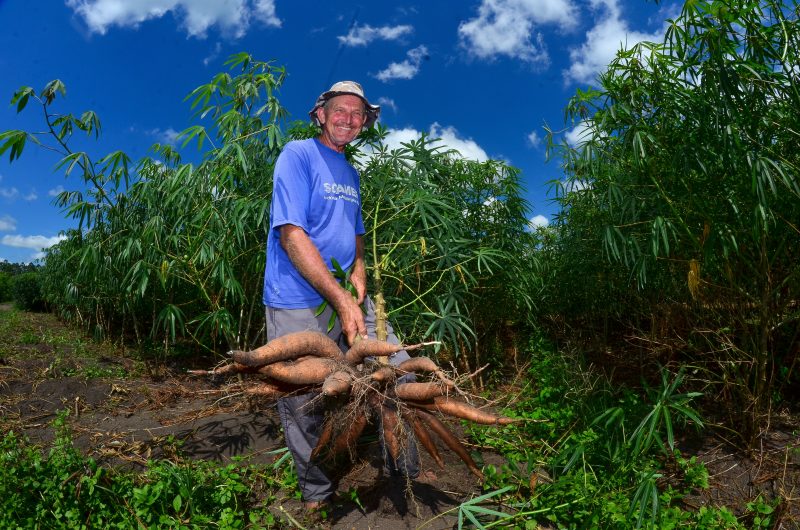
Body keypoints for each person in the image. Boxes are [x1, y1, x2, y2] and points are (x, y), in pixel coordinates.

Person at [262, 81, 421, 510]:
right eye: (341, 109)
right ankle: (317, 494)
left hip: (349, 297)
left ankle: (404, 473)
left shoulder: (350, 171)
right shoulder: (297, 154)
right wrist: (341, 297)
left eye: (358, 114)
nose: (349, 118)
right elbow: (292, 234)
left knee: (400, 372)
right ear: (320, 113)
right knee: (302, 400)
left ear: (365, 123)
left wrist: (359, 272)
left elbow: (356, 234)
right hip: (298, 300)